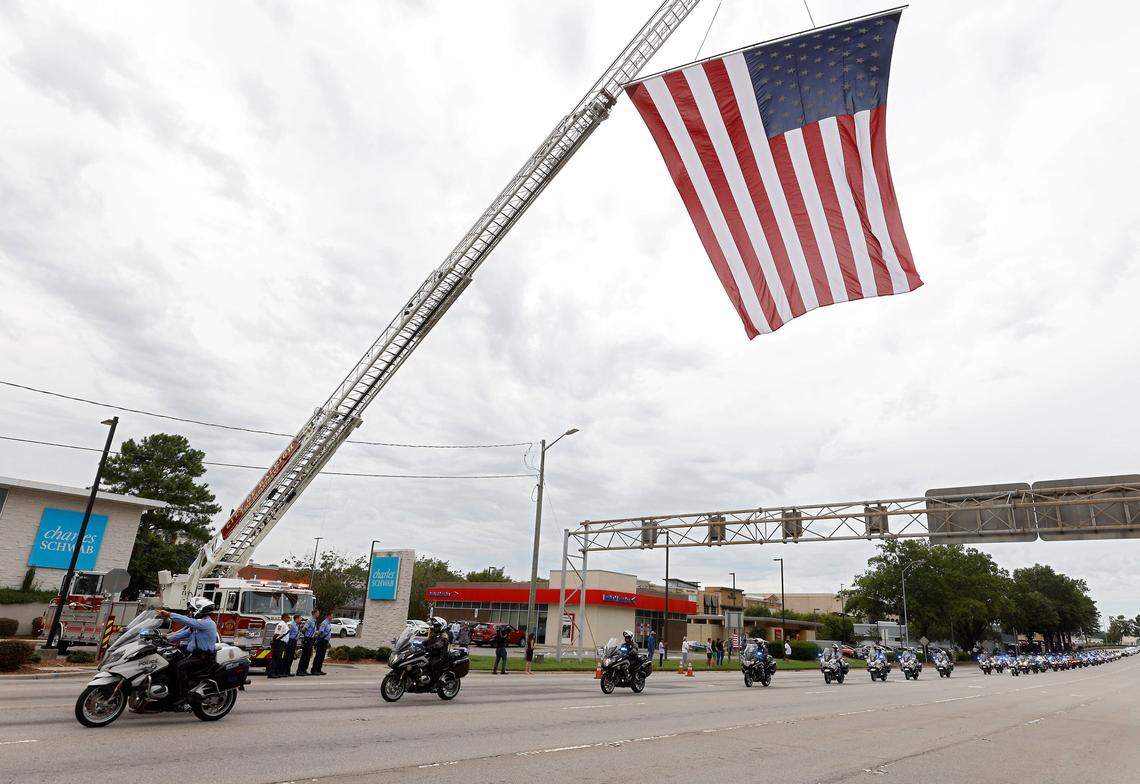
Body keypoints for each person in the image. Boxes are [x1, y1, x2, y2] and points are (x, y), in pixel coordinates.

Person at [158, 597, 219, 699]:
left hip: (203, 658)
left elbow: (187, 621)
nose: (190, 612)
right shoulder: (198, 624)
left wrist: (169, 614)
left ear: (199, 610)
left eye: (192, 610)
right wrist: (165, 637)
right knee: (168, 661)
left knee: (179, 666)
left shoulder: (207, 623)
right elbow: (184, 633)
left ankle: (182, 695)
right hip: (193, 654)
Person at [423, 616, 450, 684]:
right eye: (434, 626)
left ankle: (436, 683)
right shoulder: (434, 634)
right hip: (432, 654)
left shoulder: (444, 635)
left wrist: (431, 647)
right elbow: (428, 641)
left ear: (442, 626)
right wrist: (420, 643)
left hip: (440, 656)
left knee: (433, 664)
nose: (435, 627)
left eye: (437, 626)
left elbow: (439, 644)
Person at [296, 609, 318, 676]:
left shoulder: (314, 620)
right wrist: (306, 636)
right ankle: (300, 671)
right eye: (317, 613)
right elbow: (303, 630)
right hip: (307, 639)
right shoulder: (310, 620)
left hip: (311, 639)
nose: (318, 614)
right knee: (304, 655)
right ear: (314, 613)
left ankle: (304, 670)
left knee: (308, 655)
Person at [269, 612, 290, 678]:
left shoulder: (285, 624)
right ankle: (271, 673)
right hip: (278, 643)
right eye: (288, 617)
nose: (289, 618)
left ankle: (276, 672)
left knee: (279, 658)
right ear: (284, 618)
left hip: (282, 643)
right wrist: (275, 643)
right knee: (275, 658)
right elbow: (277, 634)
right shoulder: (281, 624)